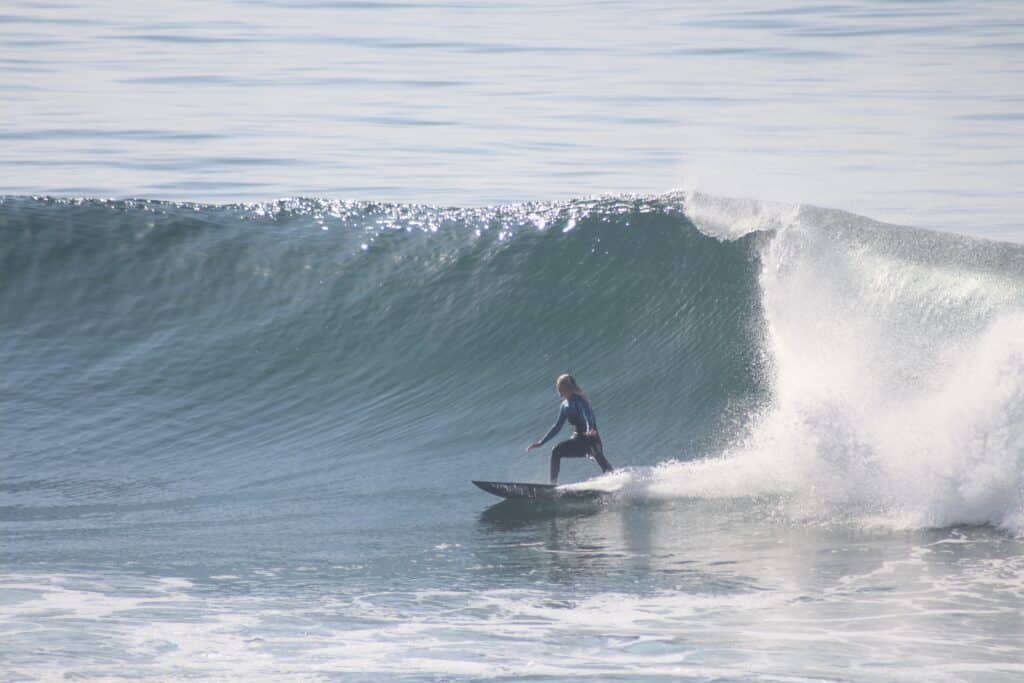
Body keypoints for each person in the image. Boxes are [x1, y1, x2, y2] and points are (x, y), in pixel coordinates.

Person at [526, 374, 614, 484]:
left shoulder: (581, 401)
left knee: (601, 461)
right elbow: (557, 427)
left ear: (567, 387)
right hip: (578, 439)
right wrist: (540, 443)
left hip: (591, 439)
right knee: (556, 451)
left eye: (560, 386)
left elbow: (588, 416)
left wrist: (589, 429)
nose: (558, 389)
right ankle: (553, 484)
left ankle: (615, 480)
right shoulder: (564, 405)